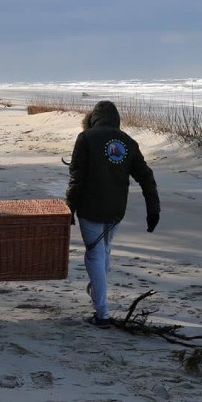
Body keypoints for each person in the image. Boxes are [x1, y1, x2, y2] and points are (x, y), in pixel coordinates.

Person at [66, 100, 160, 329]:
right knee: (105, 249)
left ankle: (102, 313)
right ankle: (98, 290)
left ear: (92, 118)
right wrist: (153, 209)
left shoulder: (86, 138)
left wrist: (69, 207)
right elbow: (146, 177)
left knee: (95, 256)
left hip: (91, 209)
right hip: (117, 211)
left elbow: (76, 177)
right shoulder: (128, 142)